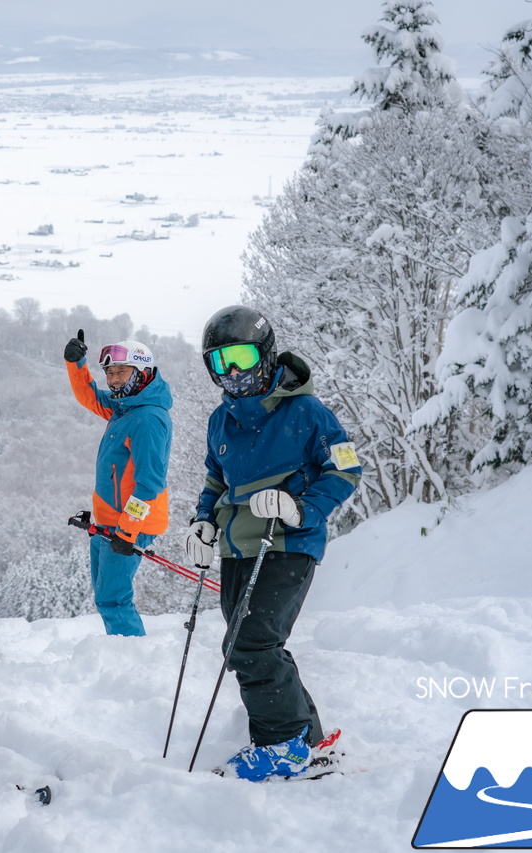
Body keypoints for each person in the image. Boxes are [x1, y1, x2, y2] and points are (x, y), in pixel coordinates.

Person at [184, 305, 362, 782]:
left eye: (240, 356)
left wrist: (301, 507)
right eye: (221, 362)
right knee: (257, 644)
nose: (234, 371)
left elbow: (346, 467)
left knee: (250, 643)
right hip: (237, 548)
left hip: (289, 542)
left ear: (265, 353)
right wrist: (203, 523)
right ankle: (309, 744)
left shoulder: (306, 411)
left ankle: (282, 747)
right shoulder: (221, 421)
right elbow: (214, 480)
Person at [63, 330, 173, 636]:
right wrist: (76, 364)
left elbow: (149, 484)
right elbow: (90, 397)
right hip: (109, 520)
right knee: (105, 597)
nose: (113, 380)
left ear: (142, 373)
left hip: (130, 524)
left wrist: (128, 530)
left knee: (113, 599)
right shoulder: (125, 407)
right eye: (109, 373)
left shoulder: (148, 418)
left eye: (121, 372)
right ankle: (122, 653)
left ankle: (132, 658)